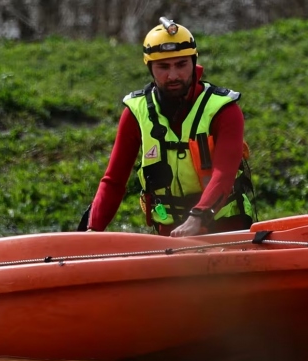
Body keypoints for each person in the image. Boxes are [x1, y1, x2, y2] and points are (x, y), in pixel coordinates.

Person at [84, 17, 254, 237]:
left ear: (194, 63)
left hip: (227, 230)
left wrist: (198, 217)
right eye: (163, 67)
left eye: (181, 64)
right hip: (168, 234)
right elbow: (113, 182)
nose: (173, 75)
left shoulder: (224, 109)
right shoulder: (136, 112)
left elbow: (224, 174)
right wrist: (92, 230)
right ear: (150, 68)